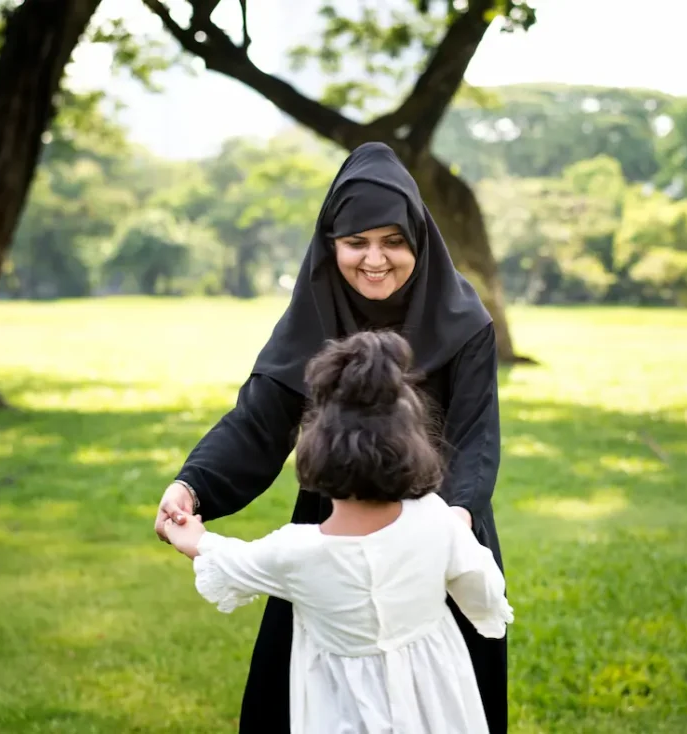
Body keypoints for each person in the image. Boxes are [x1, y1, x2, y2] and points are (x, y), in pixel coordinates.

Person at [154, 141, 508, 732]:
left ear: (418, 239)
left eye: (394, 241)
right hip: (339, 526)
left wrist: (456, 522)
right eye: (356, 242)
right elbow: (258, 421)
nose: (376, 259)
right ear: (330, 244)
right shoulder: (311, 318)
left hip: (443, 529)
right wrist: (193, 484)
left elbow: (477, 439)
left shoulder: (462, 319)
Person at [164, 330, 513, 734]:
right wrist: (485, 615)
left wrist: (184, 526)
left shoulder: (293, 552)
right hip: (435, 705)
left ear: (316, 456)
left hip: (342, 714)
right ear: (414, 448)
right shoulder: (438, 520)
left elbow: (220, 556)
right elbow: (483, 588)